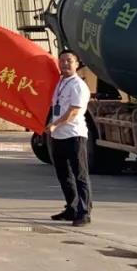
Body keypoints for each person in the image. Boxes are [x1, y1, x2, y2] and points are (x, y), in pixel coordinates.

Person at [48, 49, 92, 227]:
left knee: (80, 175)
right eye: (62, 60)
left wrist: (55, 124)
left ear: (77, 64)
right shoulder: (60, 83)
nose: (65, 63)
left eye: (69, 61)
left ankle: (84, 212)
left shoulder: (78, 85)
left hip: (74, 136)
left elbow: (74, 111)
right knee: (64, 175)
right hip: (58, 136)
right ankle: (72, 208)